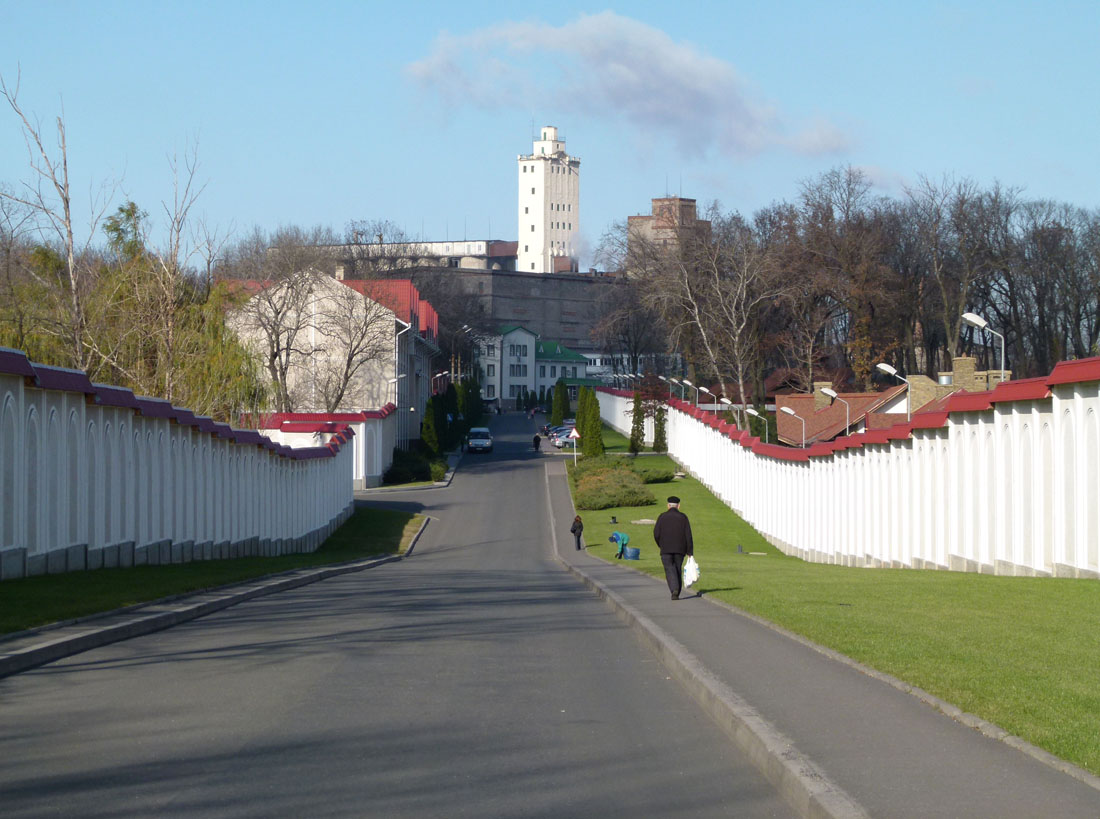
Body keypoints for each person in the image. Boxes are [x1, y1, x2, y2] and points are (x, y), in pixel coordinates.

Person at [653, 495, 693, 600]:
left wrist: (660, 544)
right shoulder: (683, 517)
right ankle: (677, 591)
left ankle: (674, 589)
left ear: (668, 505)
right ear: (678, 506)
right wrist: (690, 551)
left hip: (665, 548)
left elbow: (656, 533)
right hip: (680, 549)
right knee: (677, 569)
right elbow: (688, 535)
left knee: (669, 568)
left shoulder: (662, 517)